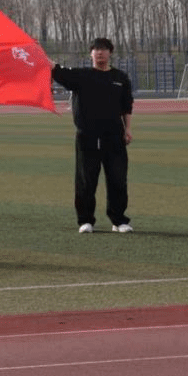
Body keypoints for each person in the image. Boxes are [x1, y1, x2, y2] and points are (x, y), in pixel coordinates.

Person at [51, 37, 135, 234]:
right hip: (87, 137)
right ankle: (86, 221)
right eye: (96, 49)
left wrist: (128, 129)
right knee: (86, 181)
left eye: (104, 49)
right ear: (91, 53)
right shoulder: (82, 76)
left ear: (110, 53)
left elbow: (127, 106)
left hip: (114, 136)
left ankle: (119, 221)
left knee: (117, 179)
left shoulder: (120, 78)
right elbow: (55, 69)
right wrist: (36, 51)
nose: (100, 52)